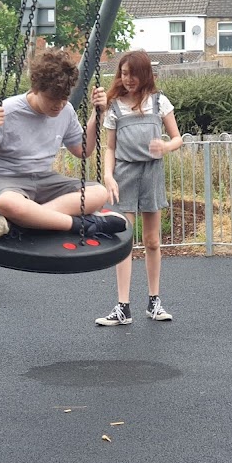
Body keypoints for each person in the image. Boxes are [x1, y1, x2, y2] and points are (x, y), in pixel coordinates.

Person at [0, 49, 127, 240]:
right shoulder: (7, 111)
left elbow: (83, 151)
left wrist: (97, 113)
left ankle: (25, 221)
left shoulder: (66, 111)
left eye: (64, 99)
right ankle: (81, 224)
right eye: (51, 99)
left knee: (98, 193)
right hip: (1, 182)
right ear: (35, 89)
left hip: (42, 180)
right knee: (10, 204)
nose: (58, 105)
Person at [95, 50, 182, 326]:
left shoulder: (158, 102)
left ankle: (154, 301)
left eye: (133, 74)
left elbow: (177, 138)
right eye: (123, 73)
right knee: (124, 240)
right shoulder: (114, 106)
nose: (128, 79)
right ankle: (123, 306)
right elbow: (110, 147)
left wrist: (165, 146)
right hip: (124, 174)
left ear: (144, 74)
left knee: (152, 240)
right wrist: (108, 176)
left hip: (152, 173)